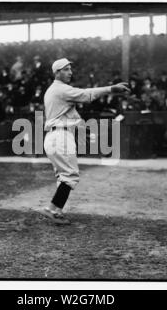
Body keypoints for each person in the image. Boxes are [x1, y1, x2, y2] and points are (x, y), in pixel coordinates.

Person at [42, 58, 130, 224]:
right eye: (66, 69)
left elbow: (72, 117)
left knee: (63, 177)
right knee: (70, 176)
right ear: (57, 72)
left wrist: (84, 130)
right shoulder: (61, 89)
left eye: (70, 69)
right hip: (60, 136)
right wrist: (111, 88)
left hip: (55, 136)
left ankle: (57, 210)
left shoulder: (52, 91)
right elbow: (86, 95)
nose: (70, 72)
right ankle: (52, 209)